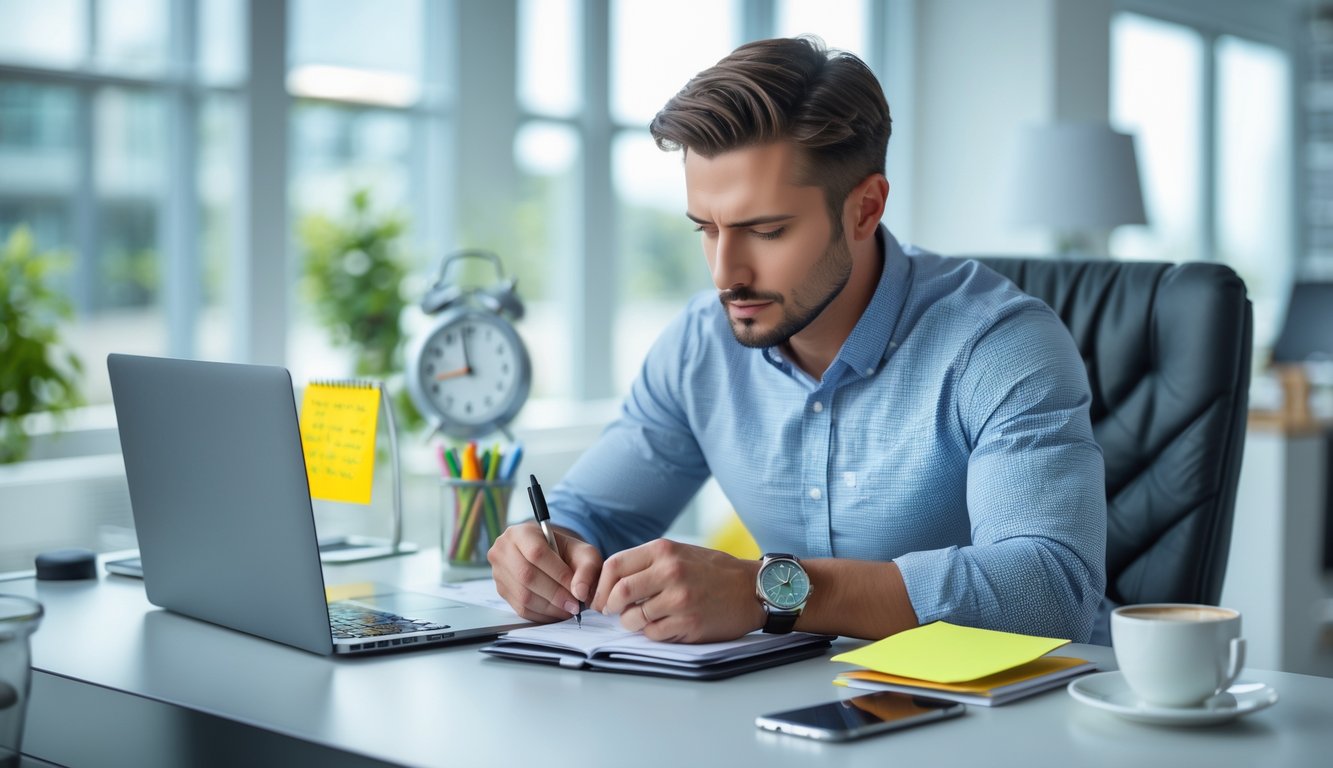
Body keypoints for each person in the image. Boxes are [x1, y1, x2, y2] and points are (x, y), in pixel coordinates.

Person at [489, 36, 1106, 644]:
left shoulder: (999, 344)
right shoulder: (699, 346)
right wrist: (542, 551)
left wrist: (771, 591)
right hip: (784, 710)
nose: (726, 273)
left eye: (768, 230)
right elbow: (593, 516)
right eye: (707, 228)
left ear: (865, 209)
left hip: (992, 724)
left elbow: (1052, 591)